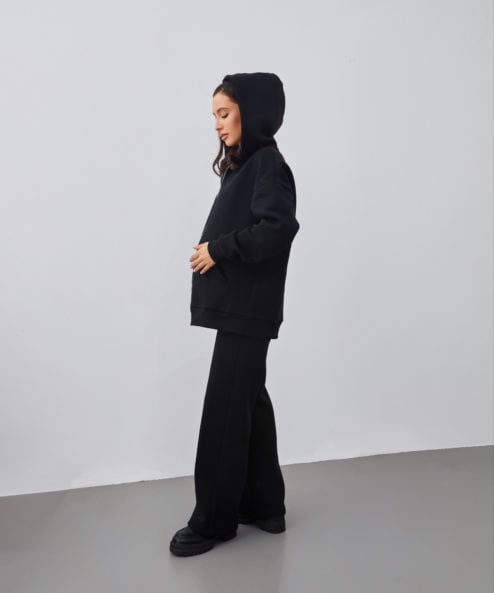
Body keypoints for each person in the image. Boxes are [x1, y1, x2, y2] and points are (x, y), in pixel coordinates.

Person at [169, 72, 300, 557]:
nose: (218, 125)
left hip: (248, 309)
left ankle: (214, 521)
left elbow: (278, 228)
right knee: (248, 403)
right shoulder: (248, 165)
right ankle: (265, 505)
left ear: (253, 112)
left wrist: (218, 249)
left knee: (225, 412)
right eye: (215, 116)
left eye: (224, 113)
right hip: (242, 308)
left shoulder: (268, 165)